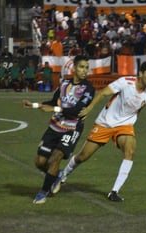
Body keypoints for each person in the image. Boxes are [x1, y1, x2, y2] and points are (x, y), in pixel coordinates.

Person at [53, 61, 146, 202]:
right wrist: (89, 109)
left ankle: (114, 191)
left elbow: (138, 108)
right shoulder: (125, 82)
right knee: (83, 156)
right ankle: (64, 174)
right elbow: (103, 93)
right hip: (105, 123)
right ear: (140, 74)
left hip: (124, 125)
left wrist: (130, 122)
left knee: (130, 151)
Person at [22, 55, 95, 204]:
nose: (84, 70)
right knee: (40, 162)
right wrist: (34, 105)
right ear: (74, 68)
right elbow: (52, 102)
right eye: (81, 67)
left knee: (55, 158)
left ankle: (43, 192)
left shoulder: (88, 89)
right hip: (55, 125)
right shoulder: (64, 83)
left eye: (86, 68)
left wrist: (54, 108)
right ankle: (56, 176)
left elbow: (77, 110)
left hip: (72, 128)